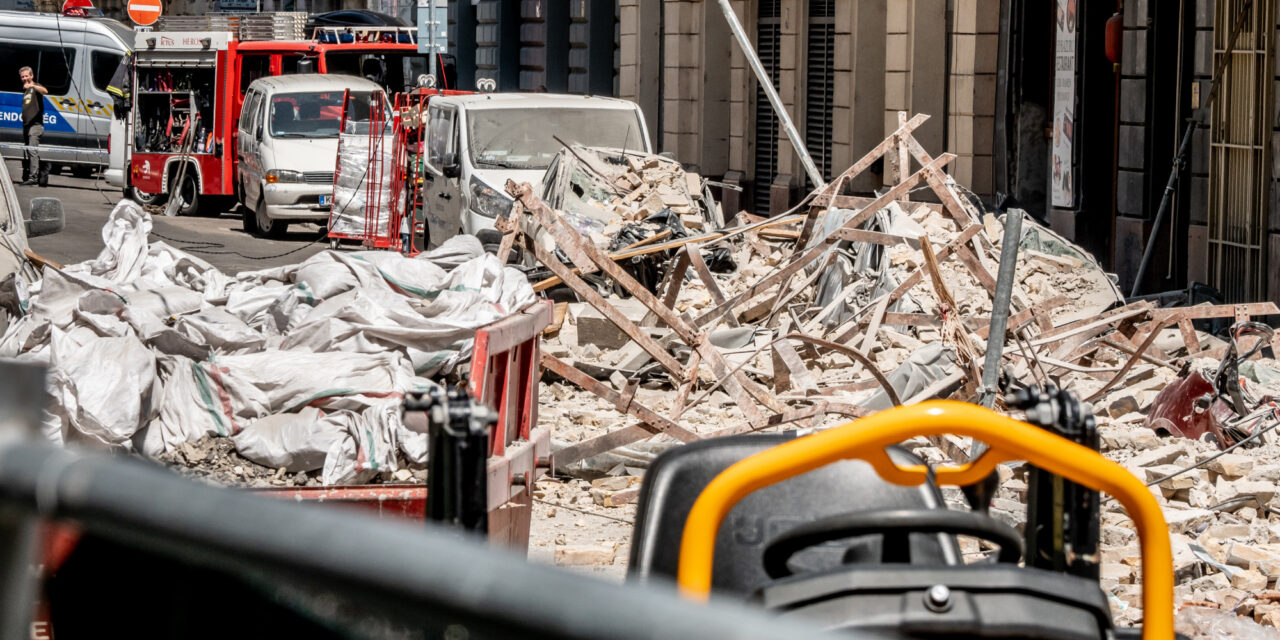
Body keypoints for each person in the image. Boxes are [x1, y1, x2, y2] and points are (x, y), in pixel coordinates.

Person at [19, 66, 49, 187]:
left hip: (36, 126)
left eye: (27, 76)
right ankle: (38, 172)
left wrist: (32, 86)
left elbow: (45, 91)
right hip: (27, 125)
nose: (25, 78)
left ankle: (33, 177)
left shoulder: (35, 87)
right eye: (22, 77)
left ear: (31, 76)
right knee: (29, 152)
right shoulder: (25, 90)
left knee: (32, 150)